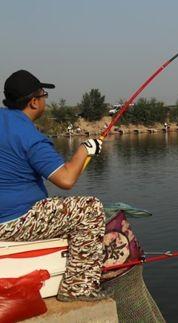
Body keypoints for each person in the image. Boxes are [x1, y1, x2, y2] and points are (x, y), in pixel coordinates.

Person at [0, 70, 106, 302]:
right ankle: (79, 288)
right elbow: (66, 180)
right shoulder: (29, 136)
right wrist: (84, 150)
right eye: (44, 95)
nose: (45, 100)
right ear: (34, 102)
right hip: (13, 220)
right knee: (90, 208)